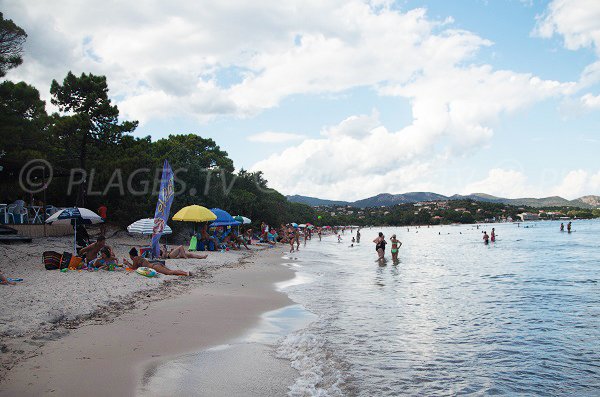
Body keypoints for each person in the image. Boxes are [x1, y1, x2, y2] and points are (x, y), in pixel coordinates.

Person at [123, 248, 191, 276]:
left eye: (130, 256)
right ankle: (185, 272)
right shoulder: (139, 257)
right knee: (171, 271)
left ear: (131, 255)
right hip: (155, 264)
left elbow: (133, 268)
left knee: (169, 272)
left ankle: (186, 273)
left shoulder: (135, 258)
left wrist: (127, 263)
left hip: (154, 266)